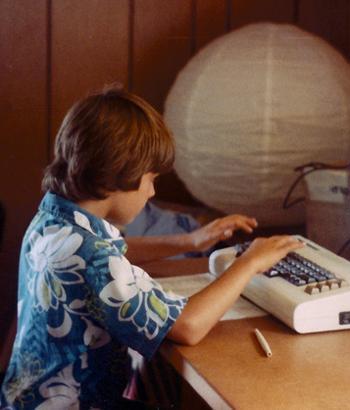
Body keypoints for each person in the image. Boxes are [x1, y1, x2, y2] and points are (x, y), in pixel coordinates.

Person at [0, 88, 303, 409]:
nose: (152, 192)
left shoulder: (53, 218)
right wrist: (250, 263)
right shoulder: (94, 259)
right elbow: (187, 326)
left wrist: (191, 241)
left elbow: (113, 252)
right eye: (150, 179)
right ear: (118, 173)